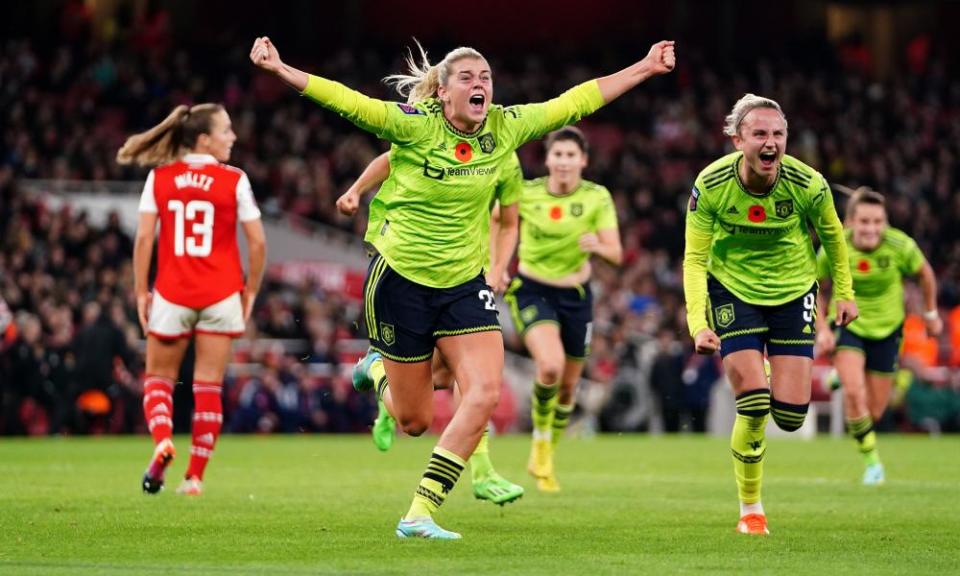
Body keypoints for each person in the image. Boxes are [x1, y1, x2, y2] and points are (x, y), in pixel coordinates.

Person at [251, 35, 675, 539]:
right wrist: (282, 70)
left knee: (485, 391)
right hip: (399, 280)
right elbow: (348, 100)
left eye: (486, 78)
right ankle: (376, 372)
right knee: (413, 421)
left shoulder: (505, 127)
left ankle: (419, 512)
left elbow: (576, 100)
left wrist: (644, 68)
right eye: (468, 78)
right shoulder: (414, 124)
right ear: (443, 93)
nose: (481, 85)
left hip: (463, 284)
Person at [682, 94, 858, 535]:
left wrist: (844, 295)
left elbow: (835, 239)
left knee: (791, 417)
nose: (771, 142)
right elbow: (694, 260)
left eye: (778, 134)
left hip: (793, 290)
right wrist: (697, 323)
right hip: (733, 290)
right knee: (755, 402)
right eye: (760, 133)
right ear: (737, 139)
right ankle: (751, 510)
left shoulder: (807, 183)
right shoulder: (711, 184)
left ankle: (761, 368)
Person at [337, 148, 525, 506]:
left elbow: (510, 220)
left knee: (460, 379)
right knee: (418, 417)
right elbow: (389, 159)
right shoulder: (431, 132)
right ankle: (378, 371)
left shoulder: (505, 153)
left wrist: (500, 265)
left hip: (469, 277)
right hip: (420, 275)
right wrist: (356, 190)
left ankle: (480, 469)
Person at [118, 103, 267, 495]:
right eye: (226, 130)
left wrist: (139, 291)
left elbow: (145, 239)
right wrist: (250, 289)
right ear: (204, 139)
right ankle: (195, 477)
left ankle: (163, 441)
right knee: (208, 388)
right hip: (221, 294)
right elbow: (257, 242)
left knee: (159, 380)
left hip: (173, 291)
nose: (233, 137)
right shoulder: (234, 180)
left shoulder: (161, 178)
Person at [497, 127, 621, 493]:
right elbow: (498, 222)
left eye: (571, 156)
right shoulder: (527, 192)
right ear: (548, 159)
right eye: (558, 155)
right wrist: (498, 265)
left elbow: (615, 253)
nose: (564, 162)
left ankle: (547, 453)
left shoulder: (597, 197)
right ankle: (538, 440)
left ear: (583, 160)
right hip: (532, 290)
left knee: (568, 389)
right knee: (549, 366)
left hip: (576, 295)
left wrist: (597, 245)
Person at [815, 187, 941, 485]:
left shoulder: (900, 245)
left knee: (873, 411)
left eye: (877, 221)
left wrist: (931, 314)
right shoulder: (835, 246)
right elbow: (815, 286)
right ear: (850, 222)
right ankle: (872, 462)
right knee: (855, 394)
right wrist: (822, 330)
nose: (871, 228)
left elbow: (925, 274)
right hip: (848, 324)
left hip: (887, 329)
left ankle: (839, 377)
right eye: (865, 222)